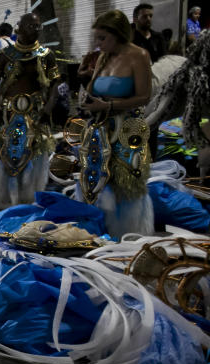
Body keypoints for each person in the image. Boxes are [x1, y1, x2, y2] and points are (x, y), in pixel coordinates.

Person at [77, 10, 153, 237]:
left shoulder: (139, 56)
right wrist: (85, 90)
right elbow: (92, 89)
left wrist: (108, 106)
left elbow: (145, 97)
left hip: (128, 128)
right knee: (96, 180)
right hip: (99, 129)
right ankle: (100, 234)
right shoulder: (102, 57)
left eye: (102, 38)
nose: (98, 44)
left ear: (118, 35)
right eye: (96, 38)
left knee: (127, 183)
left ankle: (127, 235)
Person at [0, 12, 60, 207]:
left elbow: (55, 85)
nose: (37, 30)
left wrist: (48, 109)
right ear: (20, 28)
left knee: (34, 156)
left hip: (36, 115)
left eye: (38, 26)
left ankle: (29, 199)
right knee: (1, 154)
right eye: (32, 26)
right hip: (8, 116)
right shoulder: (5, 55)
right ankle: (1, 199)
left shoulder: (45, 55)